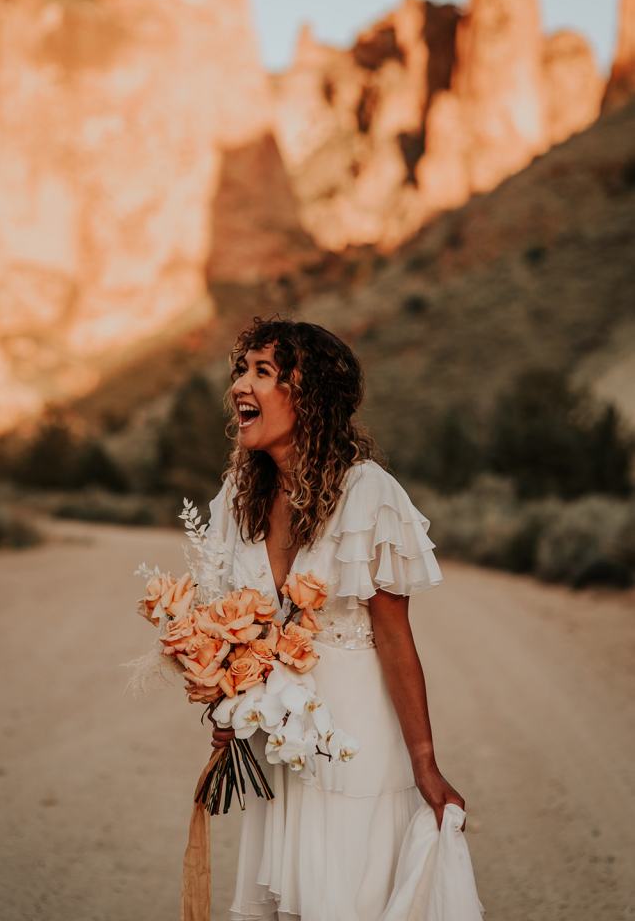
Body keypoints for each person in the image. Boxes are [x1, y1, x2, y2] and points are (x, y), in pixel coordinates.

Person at [205, 314, 467, 921]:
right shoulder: (238, 498)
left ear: (309, 394)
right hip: (281, 751)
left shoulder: (366, 493)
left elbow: (394, 635)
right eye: (241, 370)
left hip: (354, 748)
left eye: (262, 373)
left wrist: (425, 762)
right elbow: (231, 628)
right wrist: (226, 703)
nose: (241, 386)